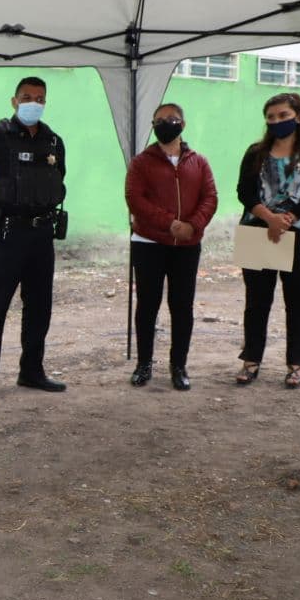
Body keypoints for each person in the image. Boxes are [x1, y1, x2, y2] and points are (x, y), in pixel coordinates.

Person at [0, 76, 67, 401]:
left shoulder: (53, 142)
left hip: (42, 235)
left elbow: (59, 180)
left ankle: (32, 371)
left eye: (39, 98)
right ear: (14, 101)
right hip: (7, 234)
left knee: (39, 307)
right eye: (27, 97)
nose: (33, 103)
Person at [234, 92, 300, 389]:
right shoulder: (256, 152)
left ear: (298, 116)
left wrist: (287, 219)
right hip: (258, 230)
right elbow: (244, 191)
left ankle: (296, 364)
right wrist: (270, 218)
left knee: (299, 300)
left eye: (283, 115)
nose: (277, 121)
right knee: (256, 301)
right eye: (271, 117)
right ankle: (251, 360)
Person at [124, 103, 218, 390]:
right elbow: (135, 199)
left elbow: (210, 197)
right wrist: (170, 223)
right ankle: (144, 364)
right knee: (147, 305)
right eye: (160, 120)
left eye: (172, 119)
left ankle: (179, 365)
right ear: (153, 125)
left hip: (187, 245)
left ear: (183, 124)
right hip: (149, 243)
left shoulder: (199, 162)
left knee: (182, 306)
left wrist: (192, 225)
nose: (166, 123)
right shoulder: (141, 162)